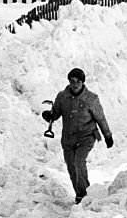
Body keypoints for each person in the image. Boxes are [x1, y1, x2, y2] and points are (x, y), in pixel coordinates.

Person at [42, 68, 114, 204]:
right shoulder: (62, 97)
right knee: (71, 167)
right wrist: (49, 116)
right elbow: (55, 114)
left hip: (86, 136)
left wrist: (108, 135)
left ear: (83, 82)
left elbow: (101, 118)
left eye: (78, 81)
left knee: (78, 162)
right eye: (72, 81)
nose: (74, 84)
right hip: (68, 138)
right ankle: (79, 194)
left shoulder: (91, 99)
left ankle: (85, 196)